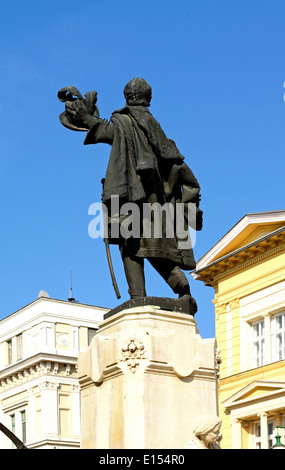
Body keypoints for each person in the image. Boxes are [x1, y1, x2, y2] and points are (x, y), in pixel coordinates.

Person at [62, 78, 202, 314]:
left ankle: (138, 296)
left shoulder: (124, 122)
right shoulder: (157, 130)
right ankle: (181, 286)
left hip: (131, 197)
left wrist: (86, 118)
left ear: (127, 96)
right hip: (157, 201)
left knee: (131, 245)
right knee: (154, 245)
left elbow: (105, 131)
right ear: (148, 98)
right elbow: (179, 166)